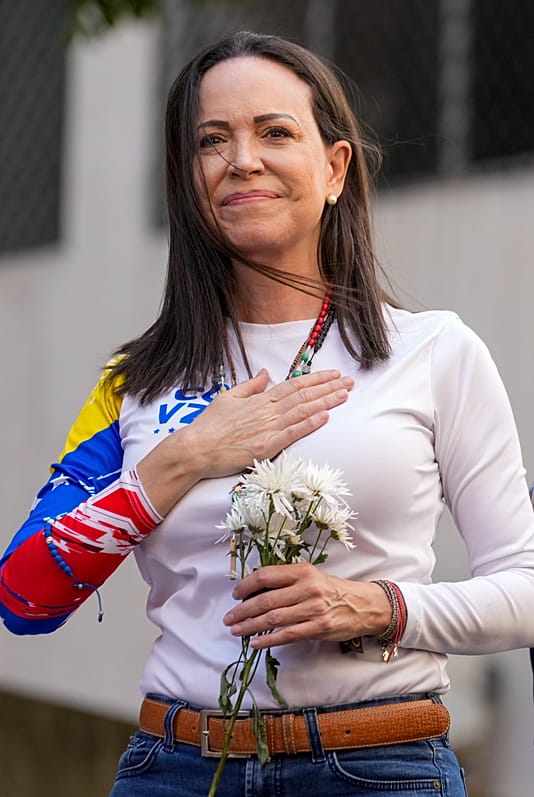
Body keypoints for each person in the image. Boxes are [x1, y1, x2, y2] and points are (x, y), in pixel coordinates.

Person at [1, 29, 534, 797]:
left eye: (275, 132)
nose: (242, 159)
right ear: (188, 179)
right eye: (211, 140)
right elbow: (23, 596)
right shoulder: (135, 382)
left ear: (335, 168)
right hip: (177, 770)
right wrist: (180, 461)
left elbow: (523, 588)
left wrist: (376, 605)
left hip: (379, 766)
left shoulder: (435, 352)